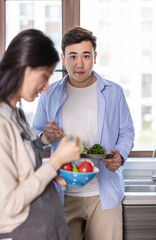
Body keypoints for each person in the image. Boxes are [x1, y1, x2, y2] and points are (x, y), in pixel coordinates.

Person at [32, 26, 135, 240]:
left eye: (86, 56)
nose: (79, 63)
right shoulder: (49, 94)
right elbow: (34, 135)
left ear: (95, 57)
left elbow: (127, 130)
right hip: (64, 194)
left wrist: (120, 155)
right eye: (73, 56)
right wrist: (44, 137)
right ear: (63, 58)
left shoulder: (113, 92)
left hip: (104, 194)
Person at [0, 29, 80, 240]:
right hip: (25, 232)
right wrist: (54, 163)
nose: (46, 88)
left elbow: (23, 171)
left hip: (47, 228)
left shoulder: (16, 114)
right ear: (25, 68)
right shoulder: (1, 124)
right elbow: (8, 205)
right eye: (44, 77)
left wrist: (50, 172)